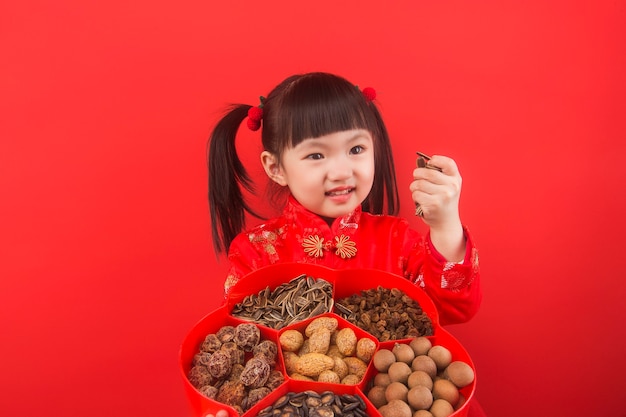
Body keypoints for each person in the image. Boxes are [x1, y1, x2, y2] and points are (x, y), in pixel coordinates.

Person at [205, 72, 484, 416]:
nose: (340, 171)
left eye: (356, 149)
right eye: (316, 156)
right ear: (276, 167)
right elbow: (235, 344)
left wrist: (445, 225)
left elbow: (454, 310)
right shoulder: (256, 250)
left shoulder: (396, 239)